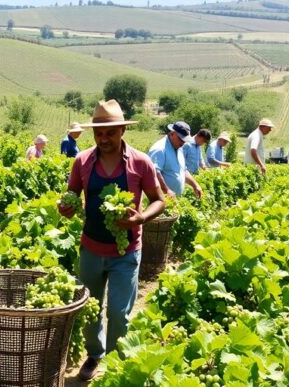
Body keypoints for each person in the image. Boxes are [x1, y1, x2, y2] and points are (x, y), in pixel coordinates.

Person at [58, 99, 165, 381]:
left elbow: (159, 201)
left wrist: (141, 218)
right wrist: (66, 208)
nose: (104, 138)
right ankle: (95, 355)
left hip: (126, 251)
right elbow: (71, 196)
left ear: (122, 131)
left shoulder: (140, 162)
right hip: (91, 248)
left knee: (119, 312)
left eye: (110, 132)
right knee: (90, 309)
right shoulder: (82, 161)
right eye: (99, 133)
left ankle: (117, 361)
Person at [148, 121, 203, 199]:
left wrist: (195, 185)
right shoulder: (160, 149)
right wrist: (167, 190)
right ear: (172, 134)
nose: (183, 142)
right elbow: (153, 173)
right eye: (181, 139)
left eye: (184, 140)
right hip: (161, 199)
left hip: (174, 198)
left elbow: (183, 170)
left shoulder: (179, 147)